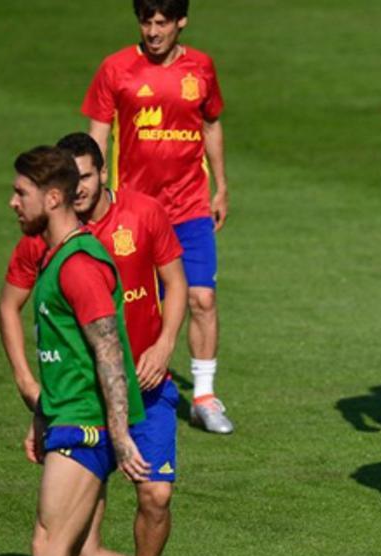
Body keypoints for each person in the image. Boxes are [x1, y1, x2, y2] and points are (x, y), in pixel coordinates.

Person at [7, 145, 221, 556]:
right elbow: (70, 354)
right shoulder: (55, 255)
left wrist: (120, 432)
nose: (12, 202)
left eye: (21, 193)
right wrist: (40, 411)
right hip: (68, 416)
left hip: (85, 424)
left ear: (51, 198)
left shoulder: (79, 265)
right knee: (76, 551)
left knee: (51, 549)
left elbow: (109, 352)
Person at [83, 0, 233, 433]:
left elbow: (211, 124)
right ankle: (125, 388)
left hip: (190, 206)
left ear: (181, 21)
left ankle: (203, 397)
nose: (152, 31)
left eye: (162, 22)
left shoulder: (202, 68)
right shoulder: (116, 69)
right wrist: (93, 192)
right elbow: (98, 132)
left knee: (202, 299)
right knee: (137, 302)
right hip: (135, 209)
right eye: (146, 22)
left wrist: (220, 185)